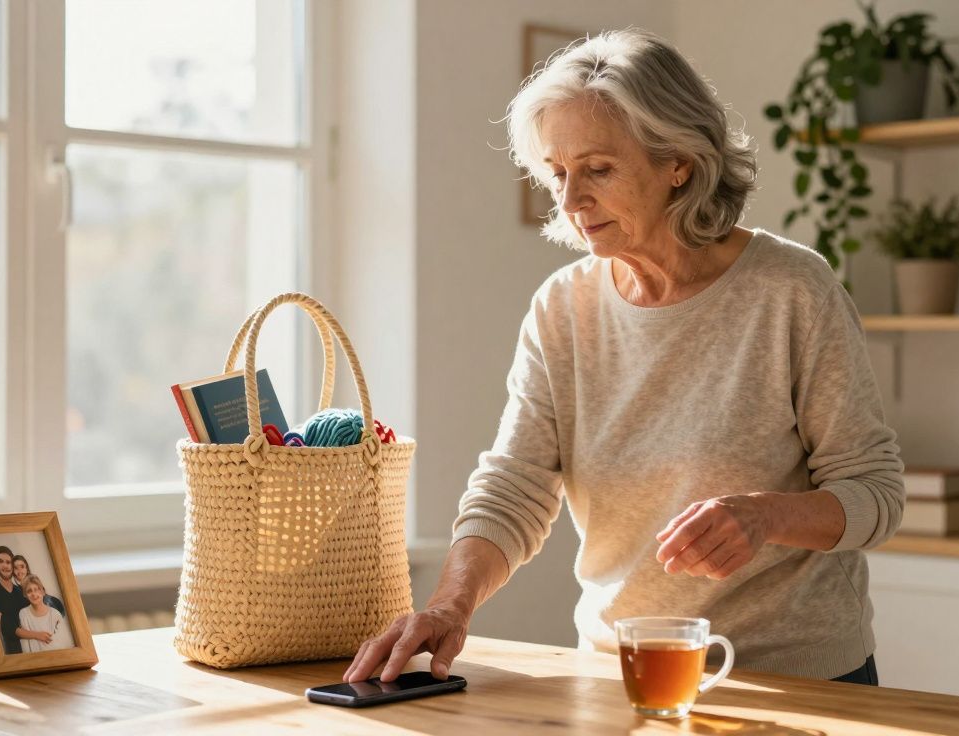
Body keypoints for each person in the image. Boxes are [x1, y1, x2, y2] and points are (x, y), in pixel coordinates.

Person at [346, 29, 903, 688]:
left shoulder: (791, 291)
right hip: (624, 679)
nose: (572, 200)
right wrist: (449, 605)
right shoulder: (563, 309)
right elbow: (513, 487)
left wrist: (768, 515)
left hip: (800, 681)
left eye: (599, 169)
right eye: (558, 173)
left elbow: (876, 494)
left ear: (680, 163)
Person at [0, 546, 27, 655]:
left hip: (28, 647)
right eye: (1, 561)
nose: (5, 565)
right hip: (9, 651)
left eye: (8, 562)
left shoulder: (20, 591)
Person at [16, 575, 74, 653]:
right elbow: (26, 642)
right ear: (25, 595)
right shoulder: (23, 613)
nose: (34, 594)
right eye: (29, 591)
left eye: (36, 589)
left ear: (43, 592)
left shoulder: (55, 614)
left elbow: (62, 642)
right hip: (35, 660)